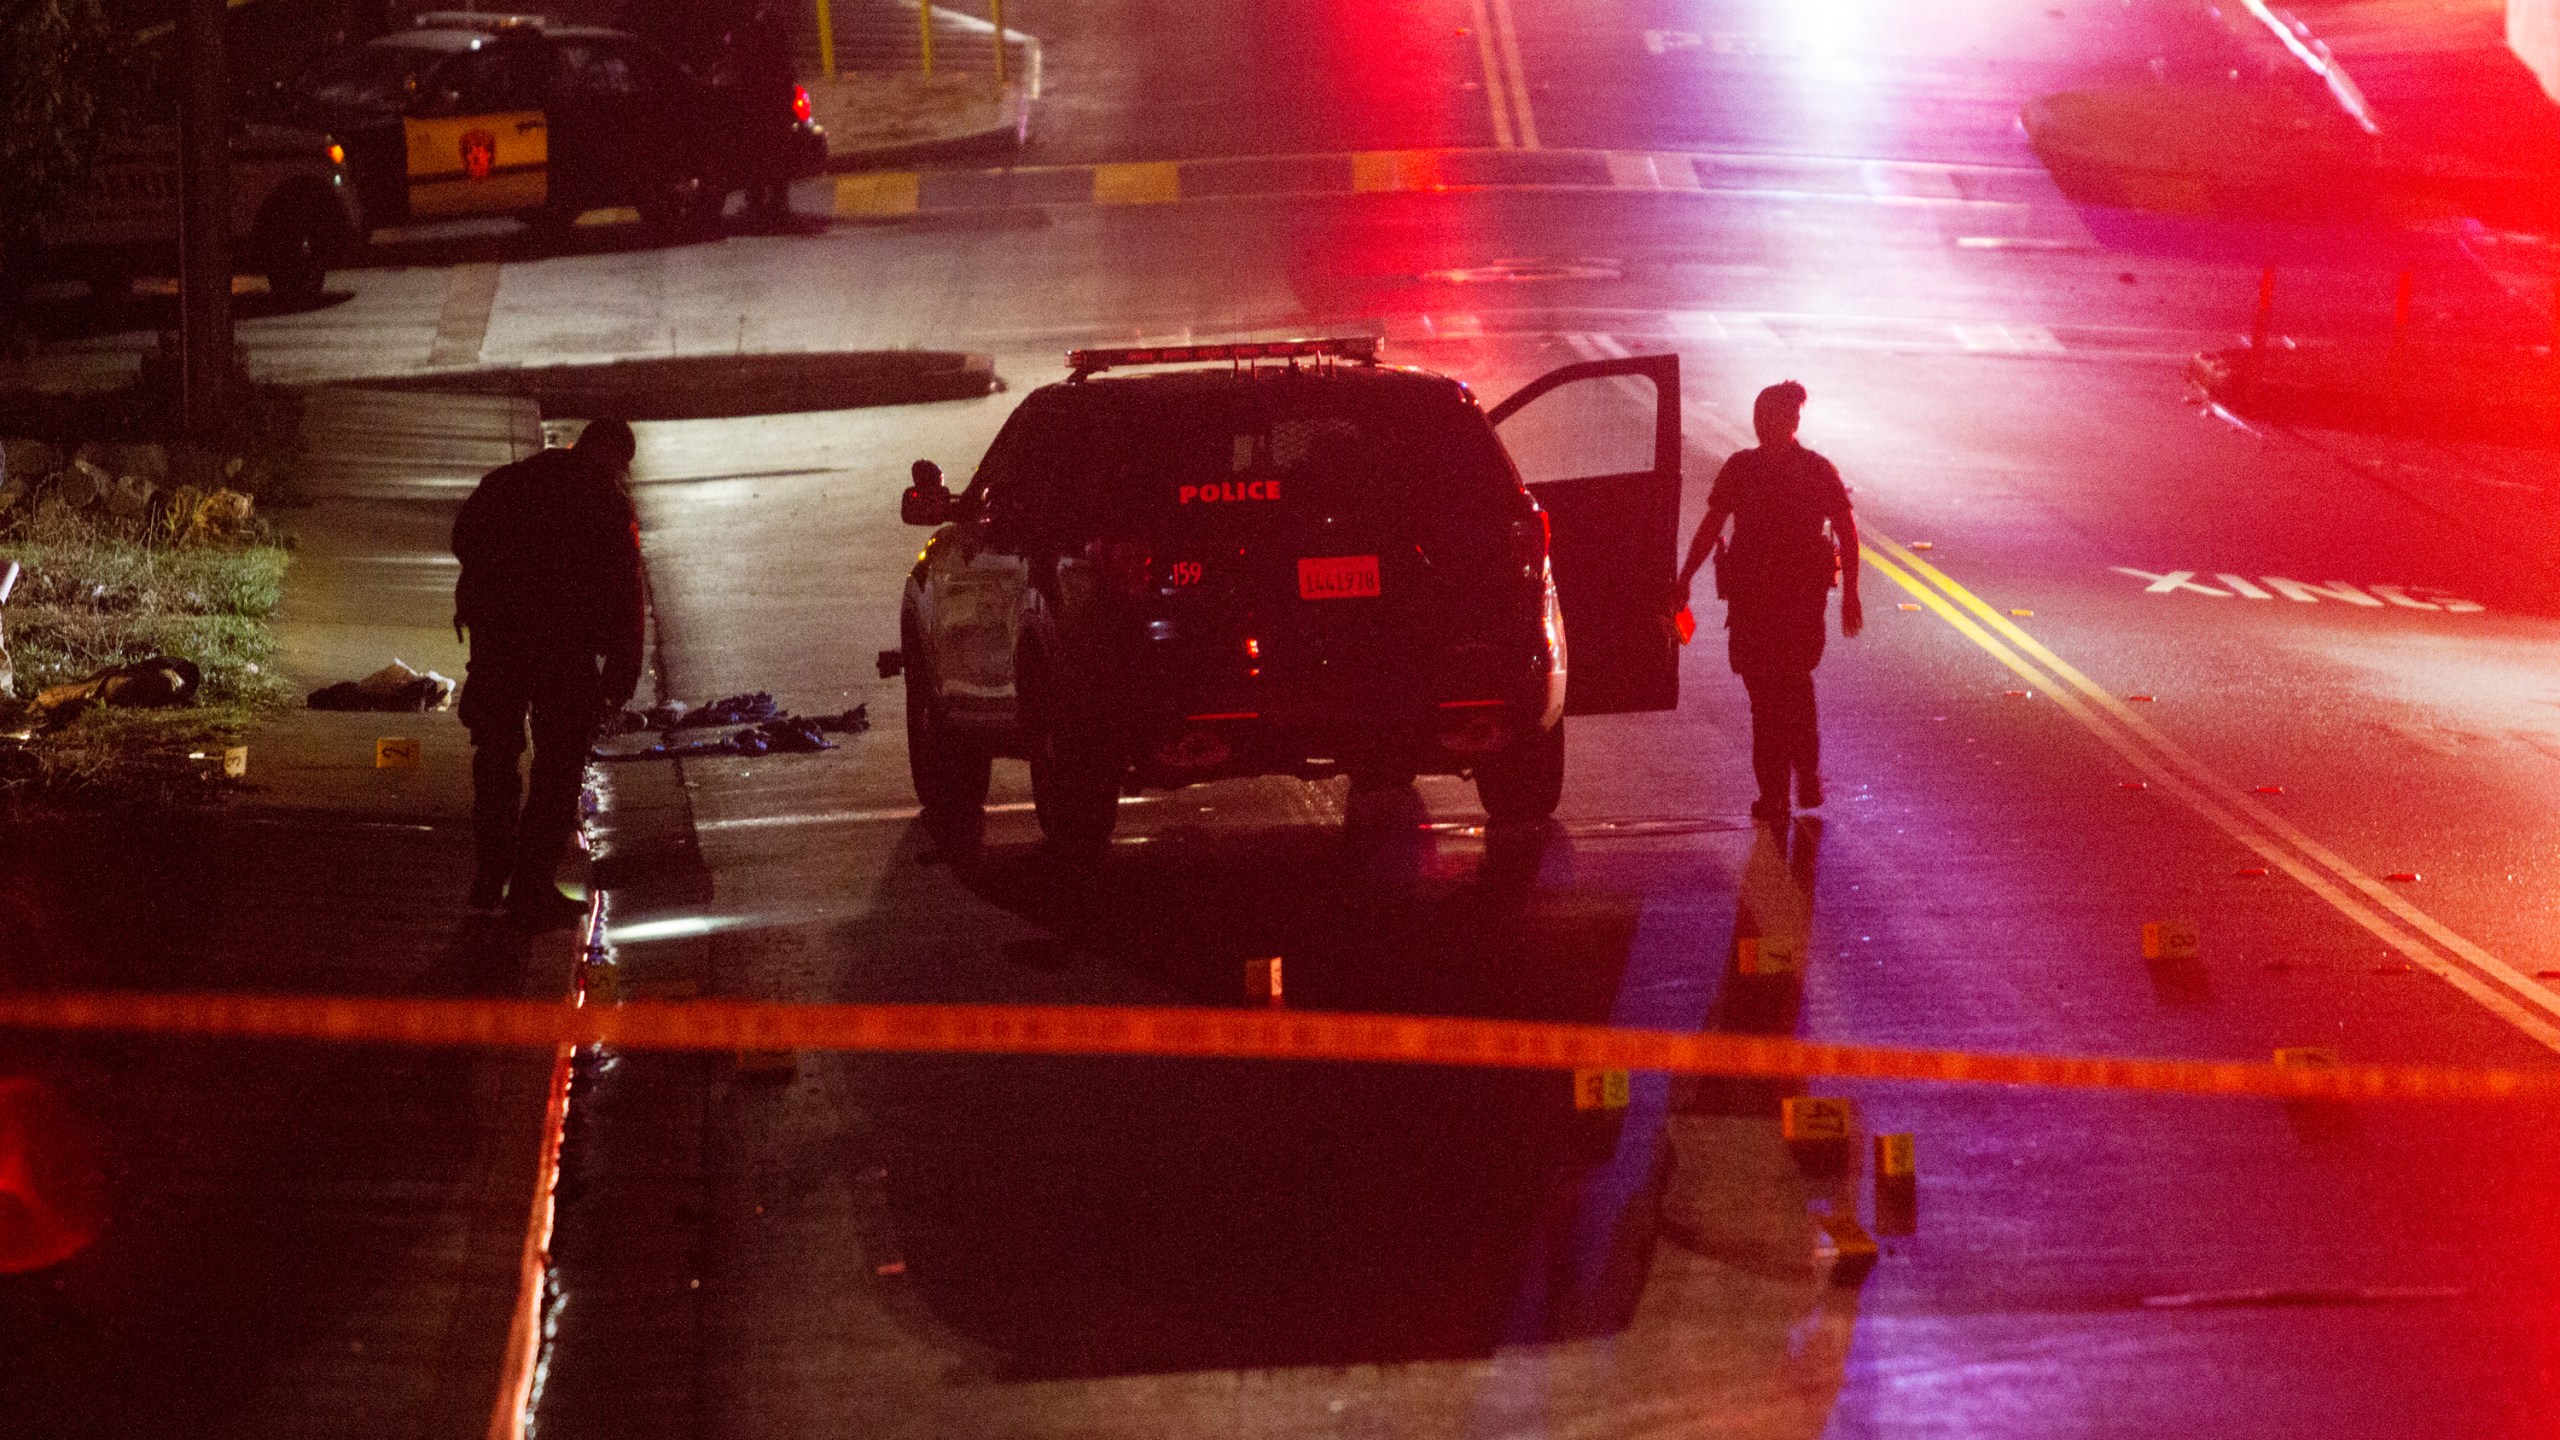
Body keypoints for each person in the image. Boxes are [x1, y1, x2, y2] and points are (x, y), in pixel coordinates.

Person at [452, 419, 645, 926]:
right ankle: (532, 885)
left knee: (495, 754)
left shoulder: (510, 480)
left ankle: (491, 874)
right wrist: (621, 672)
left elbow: (464, 539)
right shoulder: (606, 501)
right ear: (613, 456)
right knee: (558, 764)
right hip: (563, 645)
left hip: (500, 638)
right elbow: (626, 590)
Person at [1674, 381, 1862, 824]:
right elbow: (1712, 525)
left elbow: (1847, 531)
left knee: (1777, 693)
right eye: (1759, 418)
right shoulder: (1774, 468)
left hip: (1778, 601)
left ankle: (1782, 787)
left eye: (1769, 418)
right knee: (1783, 690)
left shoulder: (1788, 470)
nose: (1761, 426)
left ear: (1791, 422)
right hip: (1770, 601)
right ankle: (1798, 778)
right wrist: (1683, 578)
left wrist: (1851, 592)